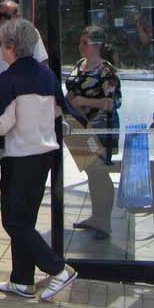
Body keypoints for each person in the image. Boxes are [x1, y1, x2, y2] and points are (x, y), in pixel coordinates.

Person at [0, 19, 77, 301]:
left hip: (19, 157)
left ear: (11, 47)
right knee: (26, 219)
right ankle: (22, 280)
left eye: (0, 44)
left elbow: (1, 125)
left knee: (13, 222)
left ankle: (59, 270)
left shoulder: (9, 78)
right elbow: (57, 114)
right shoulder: (47, 75)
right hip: (44, 156)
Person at [66, 25, 122, 240]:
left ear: (97, 45)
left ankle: (104, 221)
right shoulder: (80, 65)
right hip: (80, 128)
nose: (80, 46)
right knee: (91, 172)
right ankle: (96, 216)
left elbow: (113, 102)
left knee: (99, 172)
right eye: (81, 41)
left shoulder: (106, 70)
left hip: (100, 129)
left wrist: (83, 101)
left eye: (85, 42)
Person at [0, 0, 48, 108]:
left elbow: (41, 63)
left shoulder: (31, 33)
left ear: (17, 15)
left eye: (6, 15)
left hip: (20, 96)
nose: (2, 19)